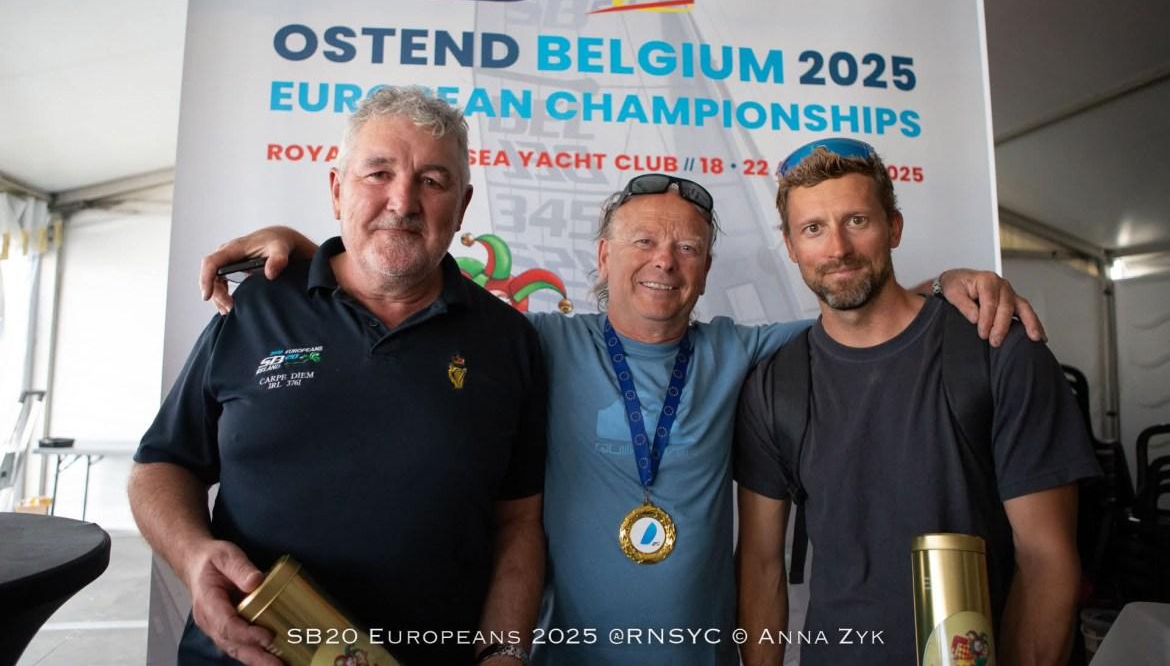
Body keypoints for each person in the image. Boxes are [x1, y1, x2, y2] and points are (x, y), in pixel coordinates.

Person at [198, 158, 1042, 664]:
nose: (664, 262)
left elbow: (858, 308)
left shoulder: (746, 351)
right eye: (643, 241)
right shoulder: (532, 342)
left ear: (707, 269)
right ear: (603, 257)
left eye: (688, 247)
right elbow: (414, 295)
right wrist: (313, 255)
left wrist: (948, 282)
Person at [129, 87, 548, 666]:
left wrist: (504, 652)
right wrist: (194, 555)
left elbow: (518, 521)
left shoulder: (508, 340)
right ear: (336, 189)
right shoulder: (256, 307)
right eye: (378, 173)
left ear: (463, 205)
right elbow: (161, 465)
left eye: (432, 181)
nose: (402, 202)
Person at [734, 139, 1100, 665]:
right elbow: (760, 566)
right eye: (813, 228)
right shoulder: (774, 385)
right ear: (791, 247)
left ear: (894, 227)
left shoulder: (998, 349)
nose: (837, 248)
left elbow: (1047, 561)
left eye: (857, 220)